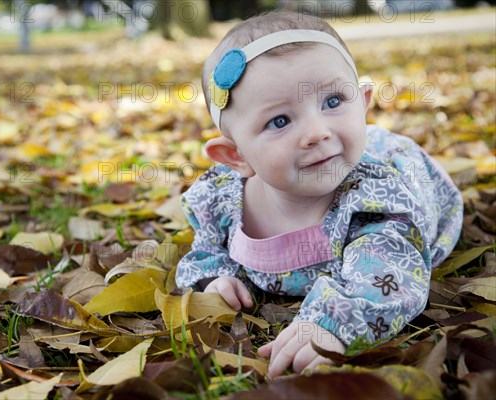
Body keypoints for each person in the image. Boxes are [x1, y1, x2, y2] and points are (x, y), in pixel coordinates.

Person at [175, 11, 463, 379]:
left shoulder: (374, 202)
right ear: (237, 156)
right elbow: (206, 250)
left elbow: (389, 279)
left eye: (332, 102)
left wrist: (332, 325)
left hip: (403, 172)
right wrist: (213, 279)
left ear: (363, 102)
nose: (317, 132)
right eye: (279, 121)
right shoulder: (223, 199)